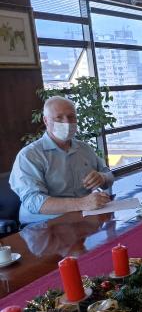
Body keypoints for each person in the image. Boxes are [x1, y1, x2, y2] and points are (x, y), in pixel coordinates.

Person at [10, 96, 114, 225]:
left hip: (81, 217)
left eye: (71, 117)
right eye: (59, 118)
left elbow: (109, 175)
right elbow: (34, 202)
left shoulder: (84, 148)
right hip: (42, 224)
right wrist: (82, 203)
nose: (67, 122)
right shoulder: (29, 155)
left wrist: (102, 178)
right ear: (46, 121)